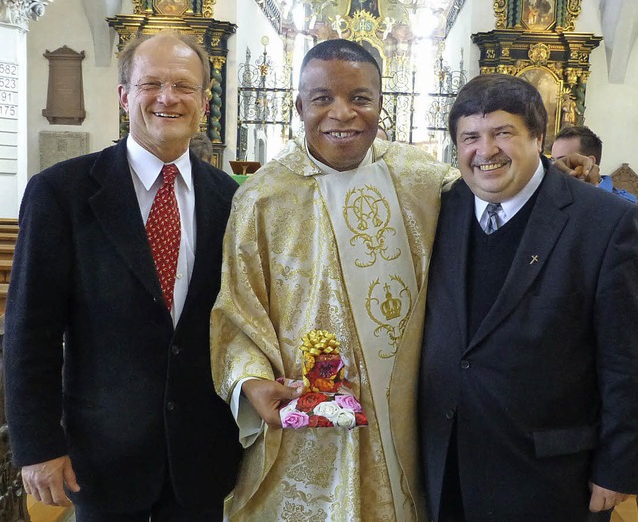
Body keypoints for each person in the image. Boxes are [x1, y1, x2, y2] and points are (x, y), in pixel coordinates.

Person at [210, 39, 459, 521]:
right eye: (322, 98)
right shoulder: (262, 198)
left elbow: (500, 202)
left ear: (381, 105)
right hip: (307, 424)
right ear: (299, 105)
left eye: (360, 98)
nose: (341, 113)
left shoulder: (424, 179)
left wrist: (559, 179)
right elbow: (237, 312)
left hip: (405, 412)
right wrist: (251, 382)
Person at [4, 32, 242, 521]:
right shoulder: (61, 193)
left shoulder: (232, 199)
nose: (167, 97)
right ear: (123, 95)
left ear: (204, 100)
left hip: (201, 452)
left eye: (183, 85)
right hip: (100, 453)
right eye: (150, 83)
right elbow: (31, 331)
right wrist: (37, 444)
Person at [419, 73, 638, 522]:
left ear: (538, 136)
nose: (486, 151)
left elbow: (627, 356)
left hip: (550, 473)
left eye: (503, 132)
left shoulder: (605, 222)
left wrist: (619, 466)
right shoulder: (439, 208)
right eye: (470, 138)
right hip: (447, 459)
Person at [552, 125, 637, 203]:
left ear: (589, 162)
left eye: (564, 160)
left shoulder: (622, 205)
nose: (556, 167)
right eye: (552, 160)